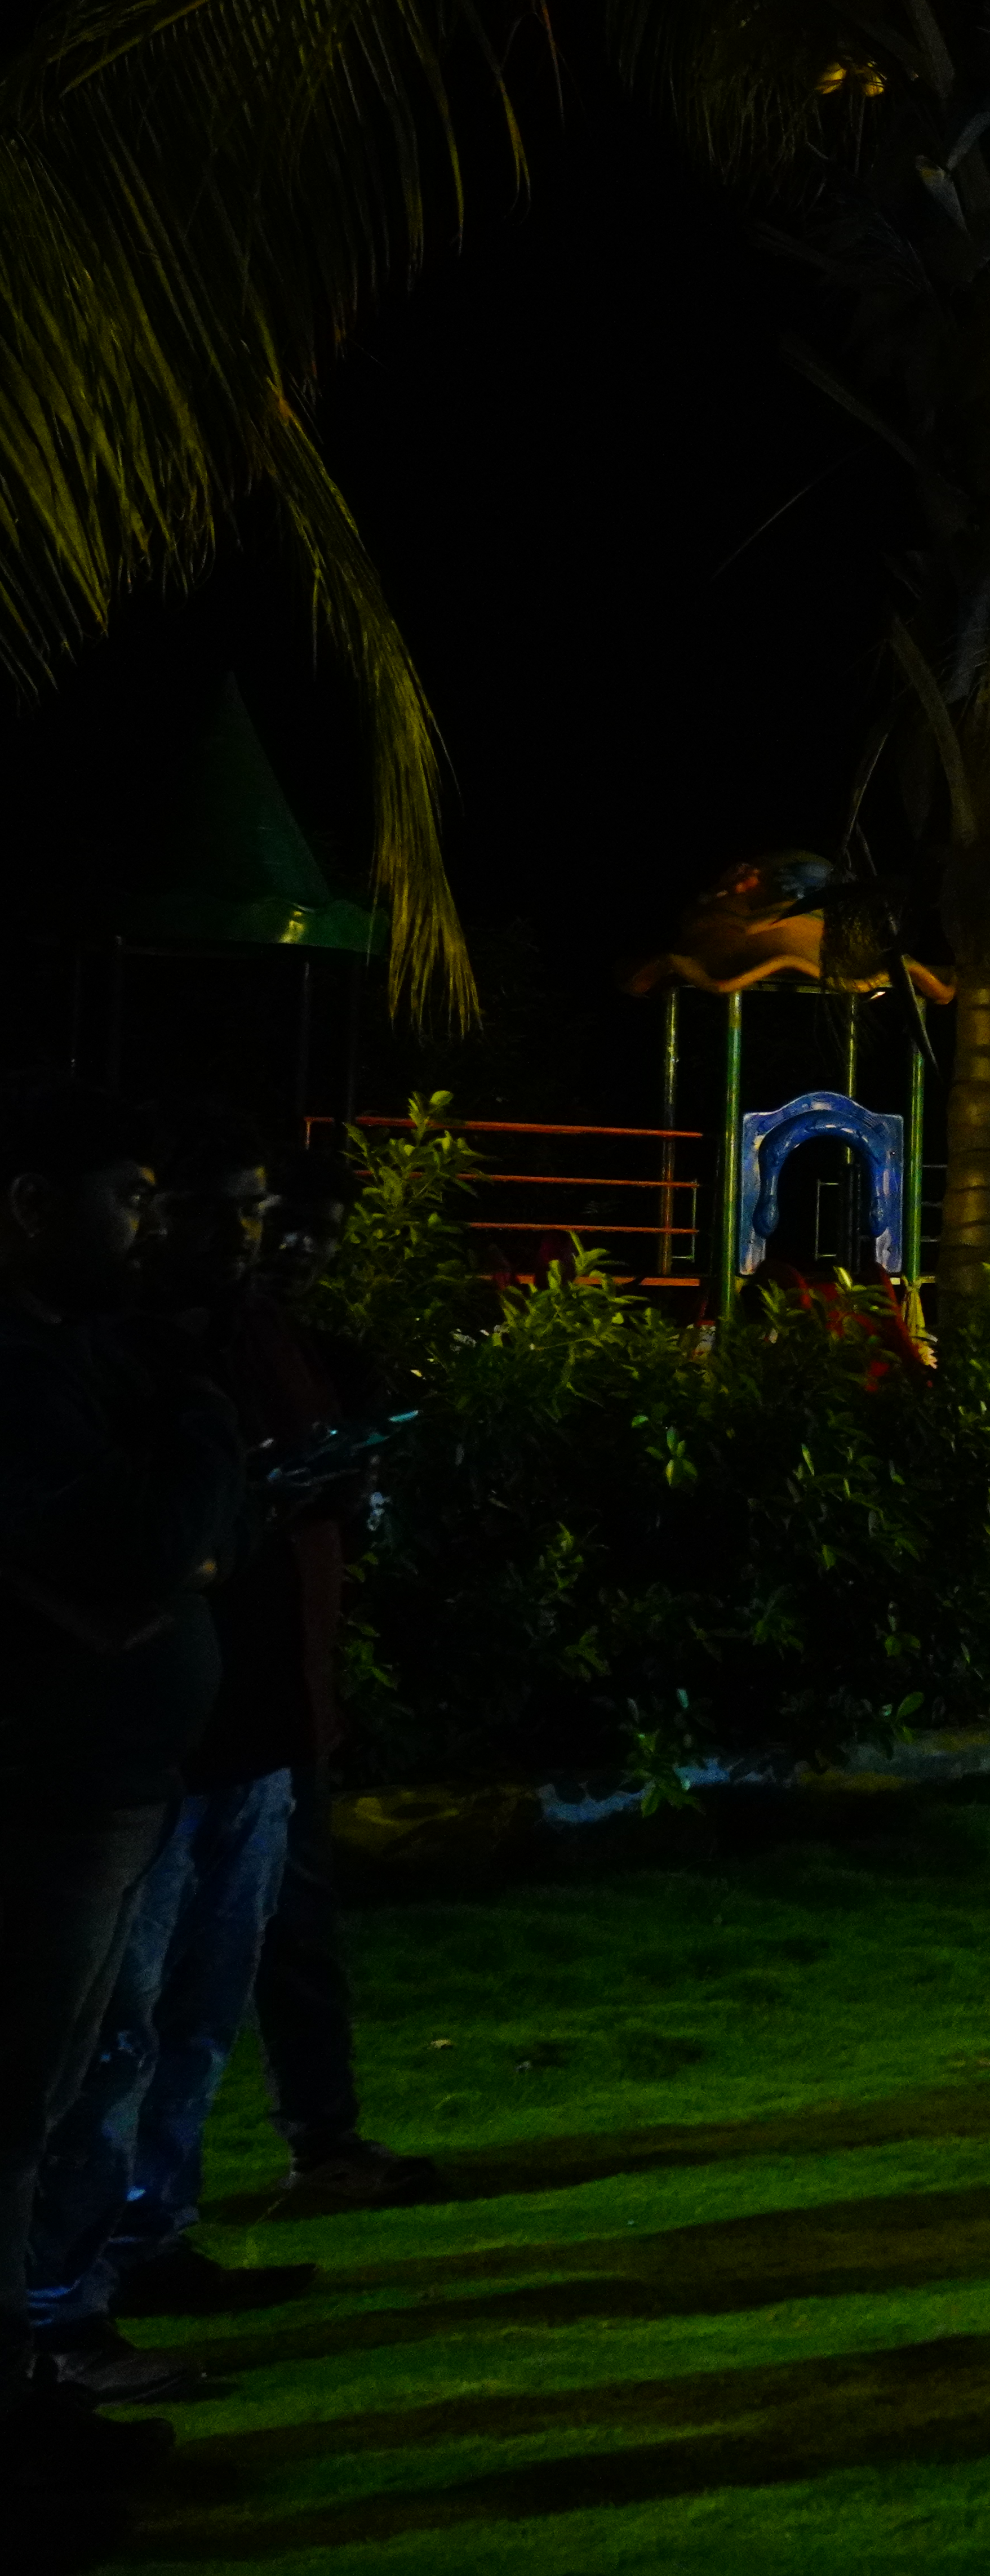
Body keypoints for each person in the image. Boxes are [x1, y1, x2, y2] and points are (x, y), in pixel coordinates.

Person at [0, 1074, 237, 2529]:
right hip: (49, 1790)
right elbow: (142, 1557)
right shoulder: (30, 1376)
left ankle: (29, 2400)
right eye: (128, 1196)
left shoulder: (78, 1358)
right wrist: (205, 1433)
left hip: (107, 1783)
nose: (152, 1225)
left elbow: (202, 1538)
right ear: (32, 1205)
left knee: (44, 2099)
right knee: (16, 2110)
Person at [235, 1145, 443, 2218]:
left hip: (290, 1691)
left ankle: (321, 2140)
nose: (299, 1247)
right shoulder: (188, 1353)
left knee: (297, 1934)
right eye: (278, 1220)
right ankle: (132, 2221)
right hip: (214, 1704)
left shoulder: (318, 1357)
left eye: (322, 1230)